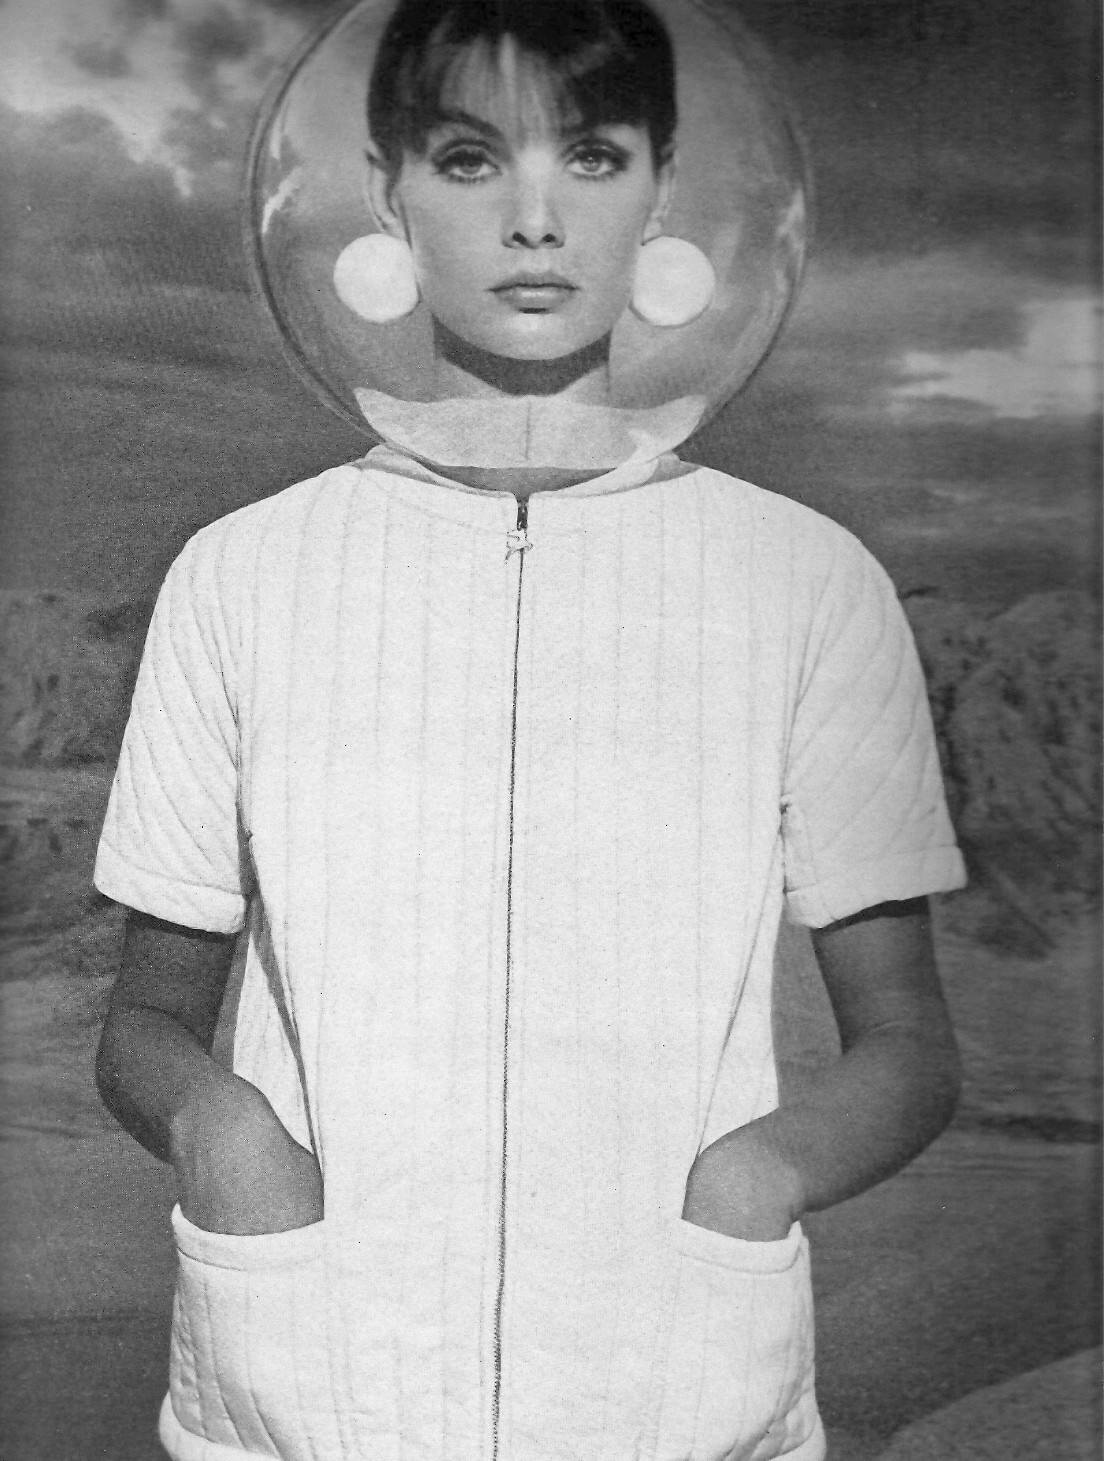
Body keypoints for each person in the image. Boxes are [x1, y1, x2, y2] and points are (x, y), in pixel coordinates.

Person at [93, 2, 966, 1459]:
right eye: (470, 157)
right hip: (310, 1394)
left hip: (674, 1399)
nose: (536, 218)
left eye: (594, 154)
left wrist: (752, 1182)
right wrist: (225, 1140)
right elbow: (144, 1023)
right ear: (385, 190)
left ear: (663, 187)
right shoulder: (240, 574)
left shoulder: (809, 581)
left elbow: (910, 1045)